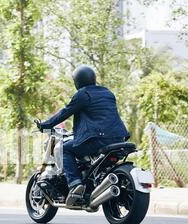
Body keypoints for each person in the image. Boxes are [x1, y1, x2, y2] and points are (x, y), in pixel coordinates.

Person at [37, 65, 129, 205]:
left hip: (97, 138)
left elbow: (65, 112)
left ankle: (75, 184)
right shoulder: (108, 93)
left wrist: (45, 125)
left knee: (64, 149)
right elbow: (100, 117)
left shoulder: (83, 94)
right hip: (118, 137)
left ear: (77, 82)